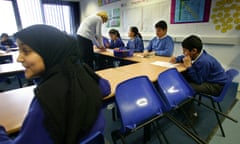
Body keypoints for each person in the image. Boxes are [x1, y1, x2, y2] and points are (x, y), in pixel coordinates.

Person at [0, 25, 111, 144]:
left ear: (48, 51)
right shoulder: (82, 72)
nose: (19, 58)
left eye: (26, 51)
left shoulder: (46, 101)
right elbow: (106, 88)